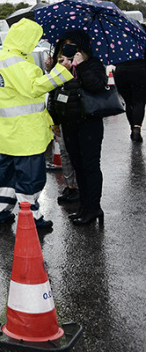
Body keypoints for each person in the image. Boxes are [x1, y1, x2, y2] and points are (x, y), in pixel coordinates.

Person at [0, 18, 74, 230]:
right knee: (30, 179)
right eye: (34, 39)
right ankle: (31, 218)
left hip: (6, 133)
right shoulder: (17, 63)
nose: (35, 44)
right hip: (24, 134)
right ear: (25, 39)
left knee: (6, 176)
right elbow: (34, 88)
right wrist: (61, 71)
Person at [50, 30, 108, 226]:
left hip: (89, 124)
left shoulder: (93, 64)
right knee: (79, 167)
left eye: (72, 44)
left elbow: (96, 86)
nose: (68, 47)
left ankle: (94, 208)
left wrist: (81, 65)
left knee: (91, 167)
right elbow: (55, 93)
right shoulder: (63, 66)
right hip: (69, 123)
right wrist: (55, 69)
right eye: (65, 43)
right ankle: (84, 206)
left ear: (81, 46)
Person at [44, 49, 80, 205]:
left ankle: (78, 187)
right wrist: (51, 69)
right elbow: (52, 94)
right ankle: (70, 185)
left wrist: (72, 68)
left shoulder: (81, 60)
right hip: (61, 115)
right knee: (64, 152)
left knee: (76, 153)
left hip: (77, 117)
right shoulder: (58, 54)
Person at [112, 56, 146, 142]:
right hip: (140, 69)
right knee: (139, 101)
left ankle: (132, 127)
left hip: (121, 70)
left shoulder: (118, 43)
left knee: (128, 102)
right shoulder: (141, 43)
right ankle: (136, 128)